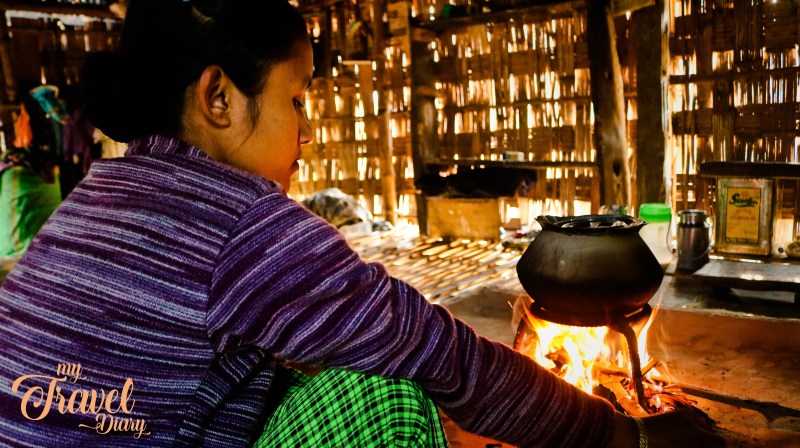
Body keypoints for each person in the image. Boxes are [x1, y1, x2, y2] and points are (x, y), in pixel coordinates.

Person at [0, 1, 725, 447]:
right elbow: (443, 354)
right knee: (387, 397)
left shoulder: (97, 197)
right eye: (296, 100)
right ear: (218, 97)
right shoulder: (241, 223)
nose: (308, 132)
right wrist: (620, 436)